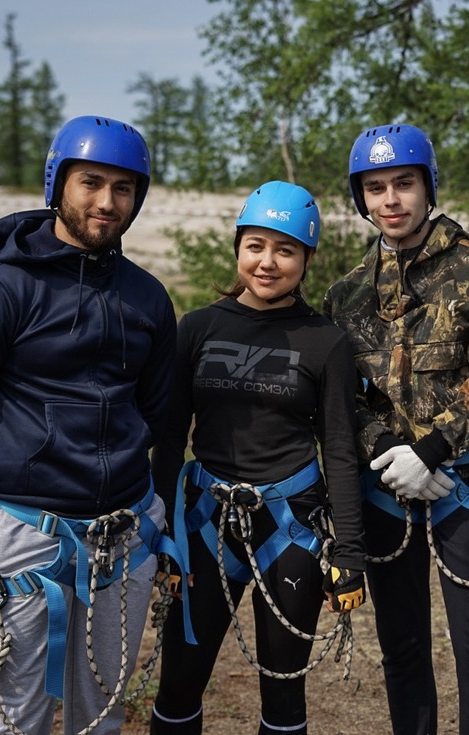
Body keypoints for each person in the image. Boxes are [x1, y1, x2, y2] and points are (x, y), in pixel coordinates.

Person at [0, 115, 177, 735]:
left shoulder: (147, 299)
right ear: (57, 183)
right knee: (14, 715)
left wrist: (156, 513)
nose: (106, 202)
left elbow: (164, 418)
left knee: (103, 714)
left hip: (125, 532)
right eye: (91, 183)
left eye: (124, 189)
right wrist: (7, 481)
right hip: (27, 532)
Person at [323, 123, 469, 735]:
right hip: (387, 490)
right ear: (362, 199)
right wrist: (386, 449)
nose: (391, 200)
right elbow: (341, 401)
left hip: (466, 491)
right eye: (376, 188)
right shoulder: (347, 294)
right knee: (402, 648)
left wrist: (434, 449)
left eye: (403, 184)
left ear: (427, 187)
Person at [148, 181, 366, 735]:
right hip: (201, 525)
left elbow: (340, 448)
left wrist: (350, 551)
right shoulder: (198, 327)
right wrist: (164, 533)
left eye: (285, 250)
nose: (268, 262)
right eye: (256, 246)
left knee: (284, 693)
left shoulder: (326, 342)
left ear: (307, 258)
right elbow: (171, 437)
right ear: (238, 248)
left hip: (289, 528)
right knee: (178, 683)